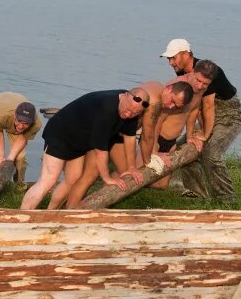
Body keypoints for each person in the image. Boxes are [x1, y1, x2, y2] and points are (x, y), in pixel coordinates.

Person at [63, 79, 193, 208]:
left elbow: (151, 130)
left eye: (176, 106)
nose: (171, 107)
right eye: (172, 101)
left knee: (116, 174)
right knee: (94, 174)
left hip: (117, 132)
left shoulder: (156, 86)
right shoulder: (154, 101)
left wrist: (154, 152)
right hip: (112, 133)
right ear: (169, 88)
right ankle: (71, 212)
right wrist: (150, 160)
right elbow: (147, 135)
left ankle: (88, 206)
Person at [20, 88, 149, 210]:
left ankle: (50, 213)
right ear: (125, 95)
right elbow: (100, 151)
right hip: (61, 134)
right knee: (48, 181)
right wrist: (107, 178)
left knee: (73, 179)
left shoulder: (134, 109)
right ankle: (21, 217)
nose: (128, 114)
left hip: (78, 141)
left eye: (134, 113)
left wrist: (132, 167)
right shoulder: (107, 108)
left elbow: (130, 139)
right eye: (127, 110)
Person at [160, 38, 241, 203]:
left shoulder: (208, 71)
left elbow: (207, 107)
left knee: (211, 152)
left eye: (173, 57)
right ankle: (197, 193)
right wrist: (192, 135)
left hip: (230, 115)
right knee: (184, 148)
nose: (170, 62)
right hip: (206, 116)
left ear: (186, 54)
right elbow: (194, 107)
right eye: (168, 58)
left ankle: (227, 199)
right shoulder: (182, 71)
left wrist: (205, 135)